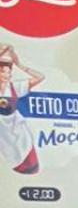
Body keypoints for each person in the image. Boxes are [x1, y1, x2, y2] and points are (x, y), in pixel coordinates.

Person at [0, 45, 45, 175]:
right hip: (3, 133)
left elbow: (40, 77)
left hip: (17, 129)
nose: (6, 75)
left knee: (29, 159)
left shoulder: (15, 87)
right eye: (3, 71)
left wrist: (19, 64)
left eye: (8, 72)